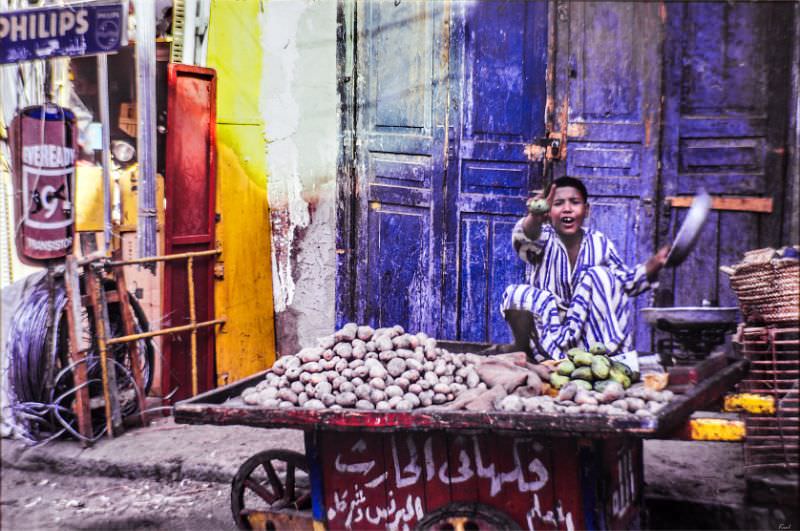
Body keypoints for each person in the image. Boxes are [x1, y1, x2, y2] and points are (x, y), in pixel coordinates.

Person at [497, 176, 670, 360]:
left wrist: (655, 263)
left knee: (601, 275)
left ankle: (608, 359)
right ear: (548, 212)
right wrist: (535, 217)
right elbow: (524, 237)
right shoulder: (544, 237)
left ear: (586, 210)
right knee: (516, 294)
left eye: (574, 202)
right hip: (547, 339)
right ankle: (526, 353)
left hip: (587, 342)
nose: (567, 209)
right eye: (558, 203)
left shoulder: (599, 242)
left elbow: (624, 282)